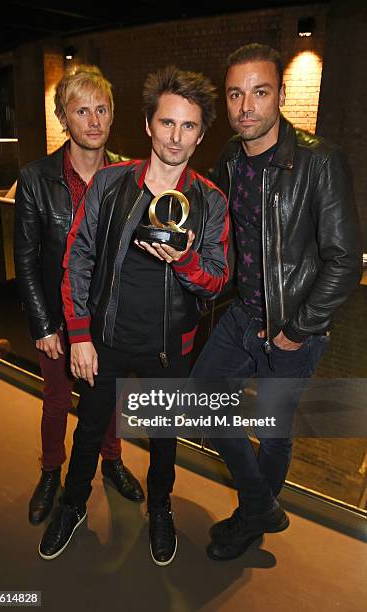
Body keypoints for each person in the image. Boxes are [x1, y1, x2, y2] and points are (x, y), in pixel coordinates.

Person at [38, 65, 229, 565]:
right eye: (167, 123)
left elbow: (216, 278)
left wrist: (185, 260)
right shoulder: (110, 183)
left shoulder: (210, 201)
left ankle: (160, 507)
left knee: (163, 441)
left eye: (188, 126)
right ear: (148, 124)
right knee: (88, 430)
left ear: (201, 134)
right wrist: (79, 334)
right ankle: (73, 503)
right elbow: (77, 257)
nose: (176, 136)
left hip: (170, 347)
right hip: (106, 341)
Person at [192, 43, 362, 560]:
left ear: (281, 95)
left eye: (260, 92)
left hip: (295, 325)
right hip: (244, 313)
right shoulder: (227, 156)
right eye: (237, 94)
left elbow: (345, 260)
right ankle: (261, 504)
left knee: (273, 428)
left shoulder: (319, 161)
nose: (247, 106)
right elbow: (221, 229)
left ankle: (249, 520)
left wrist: (298, 328)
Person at [14, 65, 144, 527]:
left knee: (106, 399)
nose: (93, 120)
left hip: (107, 321)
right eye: (82, 110)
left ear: (112, 115)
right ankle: (52, 472)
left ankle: (111, 460)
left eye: (102, 109)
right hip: (58, 319)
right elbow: (26, 259)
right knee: (56, 401)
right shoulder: (35, 177)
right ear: (63, 117)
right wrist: (43, 325)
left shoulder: (130, 175)